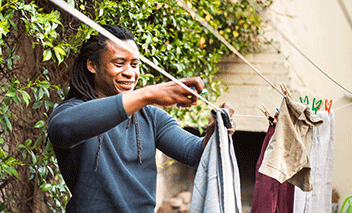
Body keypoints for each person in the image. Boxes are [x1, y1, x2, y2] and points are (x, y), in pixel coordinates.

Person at [47, 24, 234, 212]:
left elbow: (195, 154)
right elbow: (61, 129)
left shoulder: (151, 117)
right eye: (119, 63)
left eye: (134, 64)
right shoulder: (73, 110)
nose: (130, 73)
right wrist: (148, 94)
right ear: (92, 65)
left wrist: (213, 134)